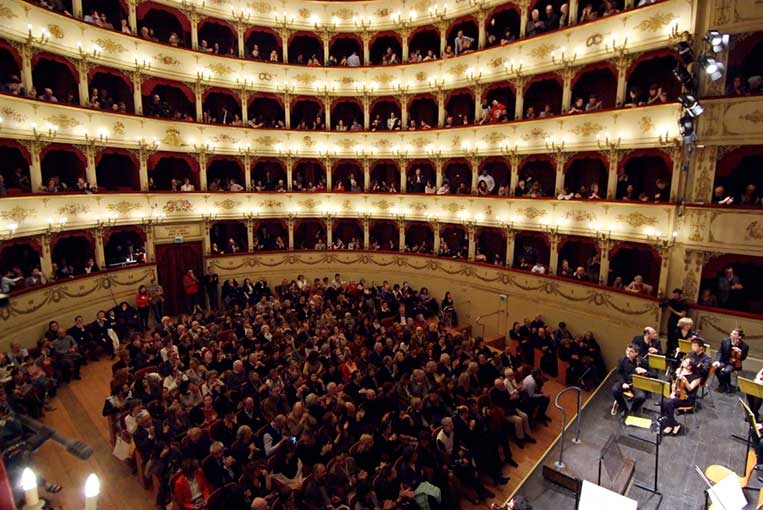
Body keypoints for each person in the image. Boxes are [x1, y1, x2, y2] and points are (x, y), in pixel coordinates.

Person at [659, 356, 701, 436]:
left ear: (690, 366)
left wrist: (685, 381)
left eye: (685, 362)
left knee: (668, 403)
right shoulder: (679, 370)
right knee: (664, 401)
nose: (683, 361)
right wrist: (673, 392)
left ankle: (671, 424)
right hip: (677, 395)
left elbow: (690, 389)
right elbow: (674, 383)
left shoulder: (697, 377)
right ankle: (672, 424)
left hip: (687, 399)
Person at [611, 344, 652, 419]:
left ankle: (633, 409)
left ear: (636, 353)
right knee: (615, 390)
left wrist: (645, 371)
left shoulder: (643, 362)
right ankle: (623, 408)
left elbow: (654, 375)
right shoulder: (622, 360)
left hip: (636, 384)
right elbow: (619, 373)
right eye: (627, 350)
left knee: (641, 397)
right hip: (625, 382)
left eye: (631, 351)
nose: (628, 353)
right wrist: (623, 383)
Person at [713, 329, 749, 393]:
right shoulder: (725, 341)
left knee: (726, 371)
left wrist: (740, 352)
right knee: (716, 368)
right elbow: (720, 352)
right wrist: (717, 361)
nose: (731, 334)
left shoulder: (744, 346)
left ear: (739, 337)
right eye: (732, 333)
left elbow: (743, 358)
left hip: (734, 363)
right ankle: (723, 384)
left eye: (734, 334)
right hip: (724, 361)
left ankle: (727, 385)